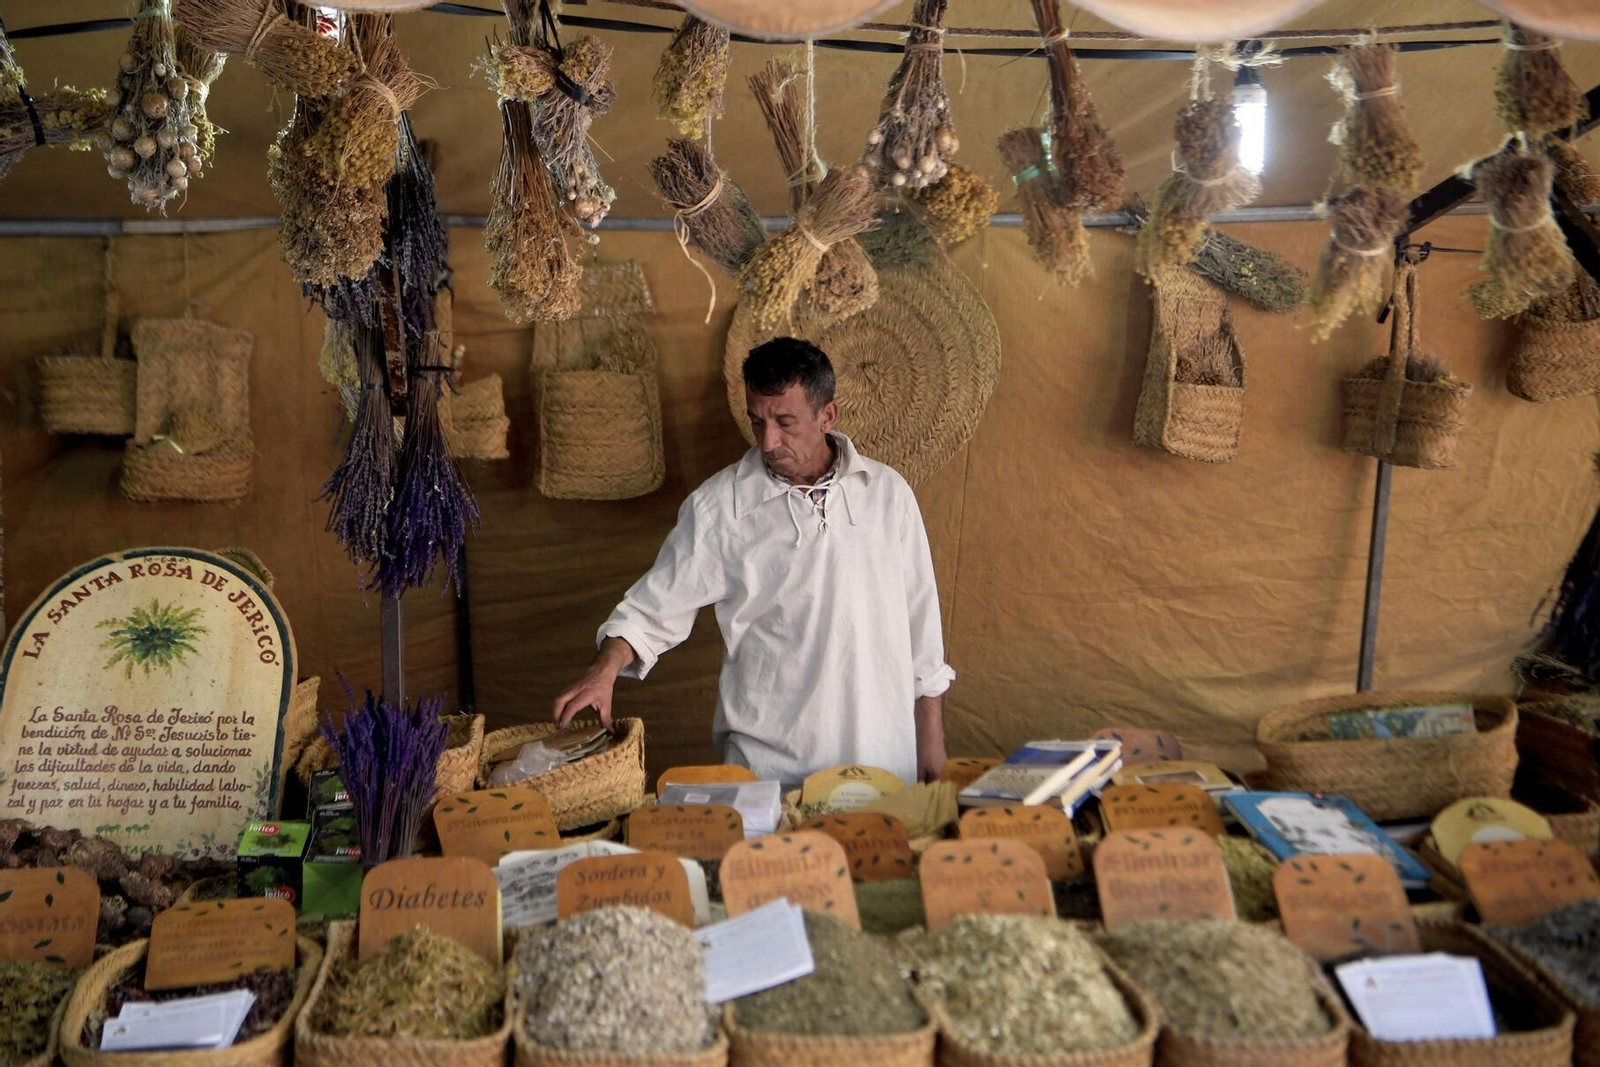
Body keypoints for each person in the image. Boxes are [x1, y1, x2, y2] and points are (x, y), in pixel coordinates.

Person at [552, 337, 955, 787]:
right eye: (757, 421)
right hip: (770, 770)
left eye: (785, 422)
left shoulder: (887, 493)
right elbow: (651, 610)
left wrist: (930, 735)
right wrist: (604, 670)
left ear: (827, 415)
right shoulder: (720, 507)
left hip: (883, 758)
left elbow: (921, 621)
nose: (768, 441)